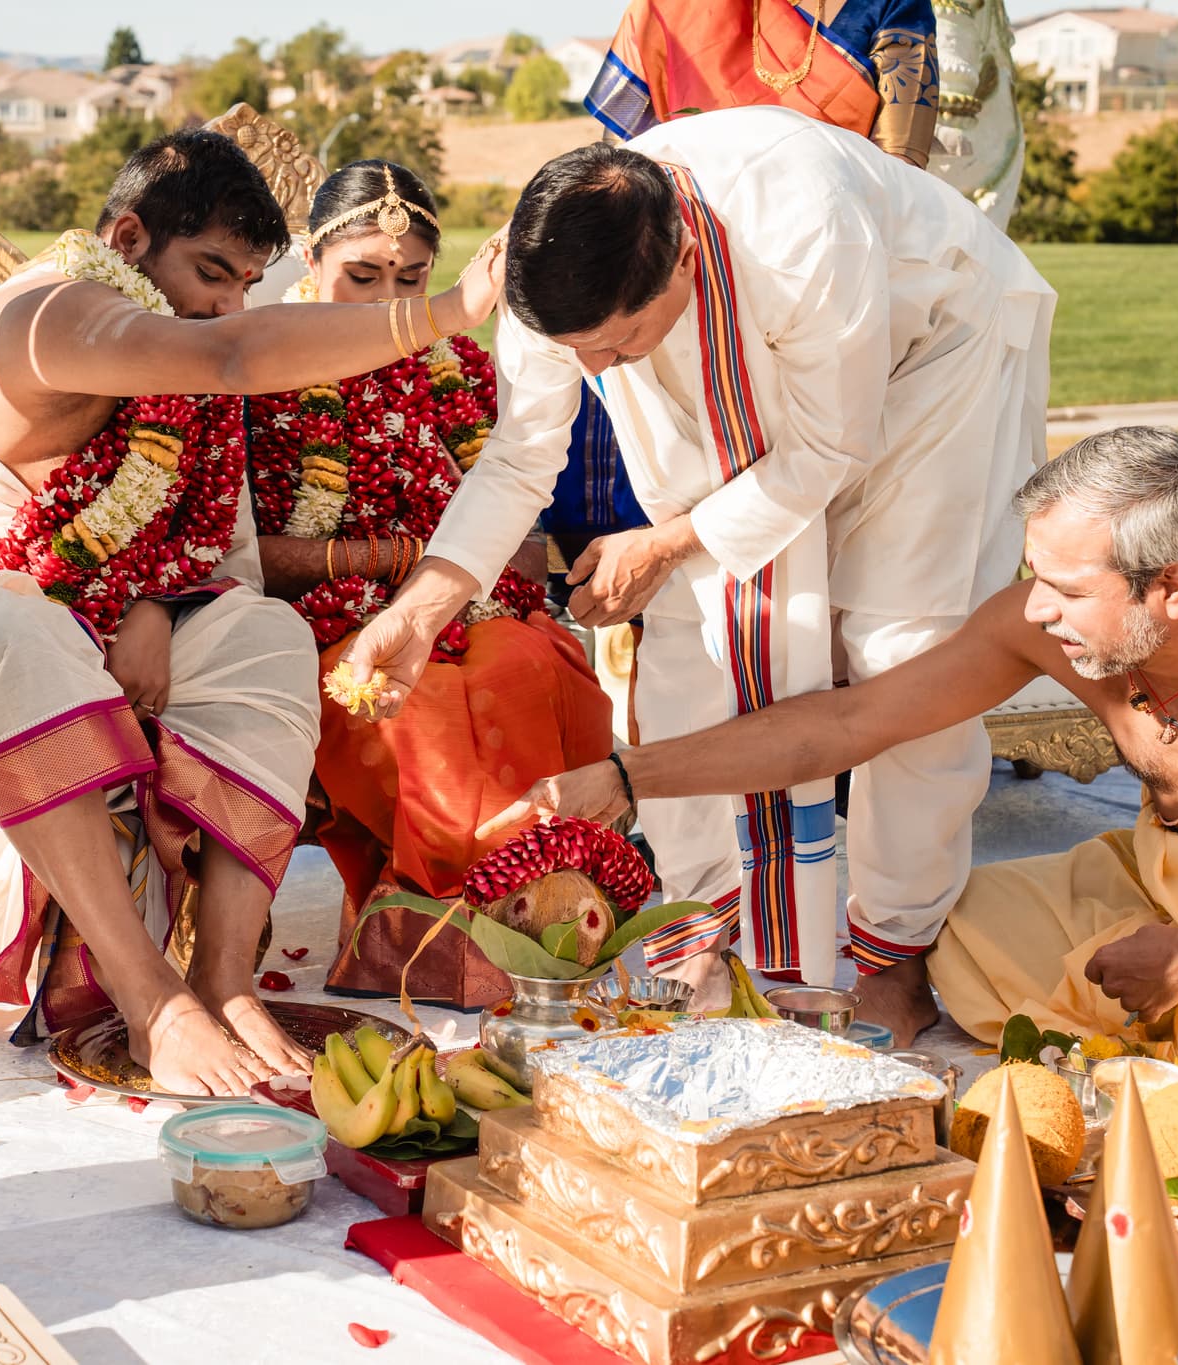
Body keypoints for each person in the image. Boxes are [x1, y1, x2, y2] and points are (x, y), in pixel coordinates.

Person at [0, 130, 503, 1097]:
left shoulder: (178, 370)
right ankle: (153, 999)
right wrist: (456, 309)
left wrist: (156, 602)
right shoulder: (44, 323)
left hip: (94, 631)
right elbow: (231, 354)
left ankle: (222, 973)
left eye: (246, 282)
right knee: (8, 624)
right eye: (212, 272)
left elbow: (217, 548)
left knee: (267, 635)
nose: (224, 304)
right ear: (127, 238)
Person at [342, 108, 1054, 1042]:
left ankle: (893, 959)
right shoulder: (548, 261)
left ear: (680, 264)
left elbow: (828, 449)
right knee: (687, 627)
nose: (594, 372)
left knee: (903, 650)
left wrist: (670, 537)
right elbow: (521, 458)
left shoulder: (801, 228)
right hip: (763, 375)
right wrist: (423, 609)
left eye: (614, 347)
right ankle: (703, 944)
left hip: (935, 358)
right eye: (576, 353)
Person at [482, 427, 1178, 1100]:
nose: (1036, 611)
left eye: (1069, 590)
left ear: (1171, 586)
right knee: (956, 937)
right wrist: (629, 776)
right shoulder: (1045, 626)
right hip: (1170, 888)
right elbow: (849, 723)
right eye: (1035, 575)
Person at [249, 160, 614, 1008]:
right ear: (309, 259)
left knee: (524, 668)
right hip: (324, 625)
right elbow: (237, 553)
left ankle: (533, 919)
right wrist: (391, 561)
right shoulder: (263, 366)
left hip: (471, 602)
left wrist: (453, 576)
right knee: (426, 712)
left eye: (411, 279)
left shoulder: (455, 364)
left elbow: (517, 522)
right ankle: (465, 944)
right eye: (362, 277)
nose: (388, 301)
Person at [585, 0, 939, 167]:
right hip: (691, 255)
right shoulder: (667, 10)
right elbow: (622, 165)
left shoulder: (893, 5)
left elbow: (900, 170)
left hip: (839, 247)